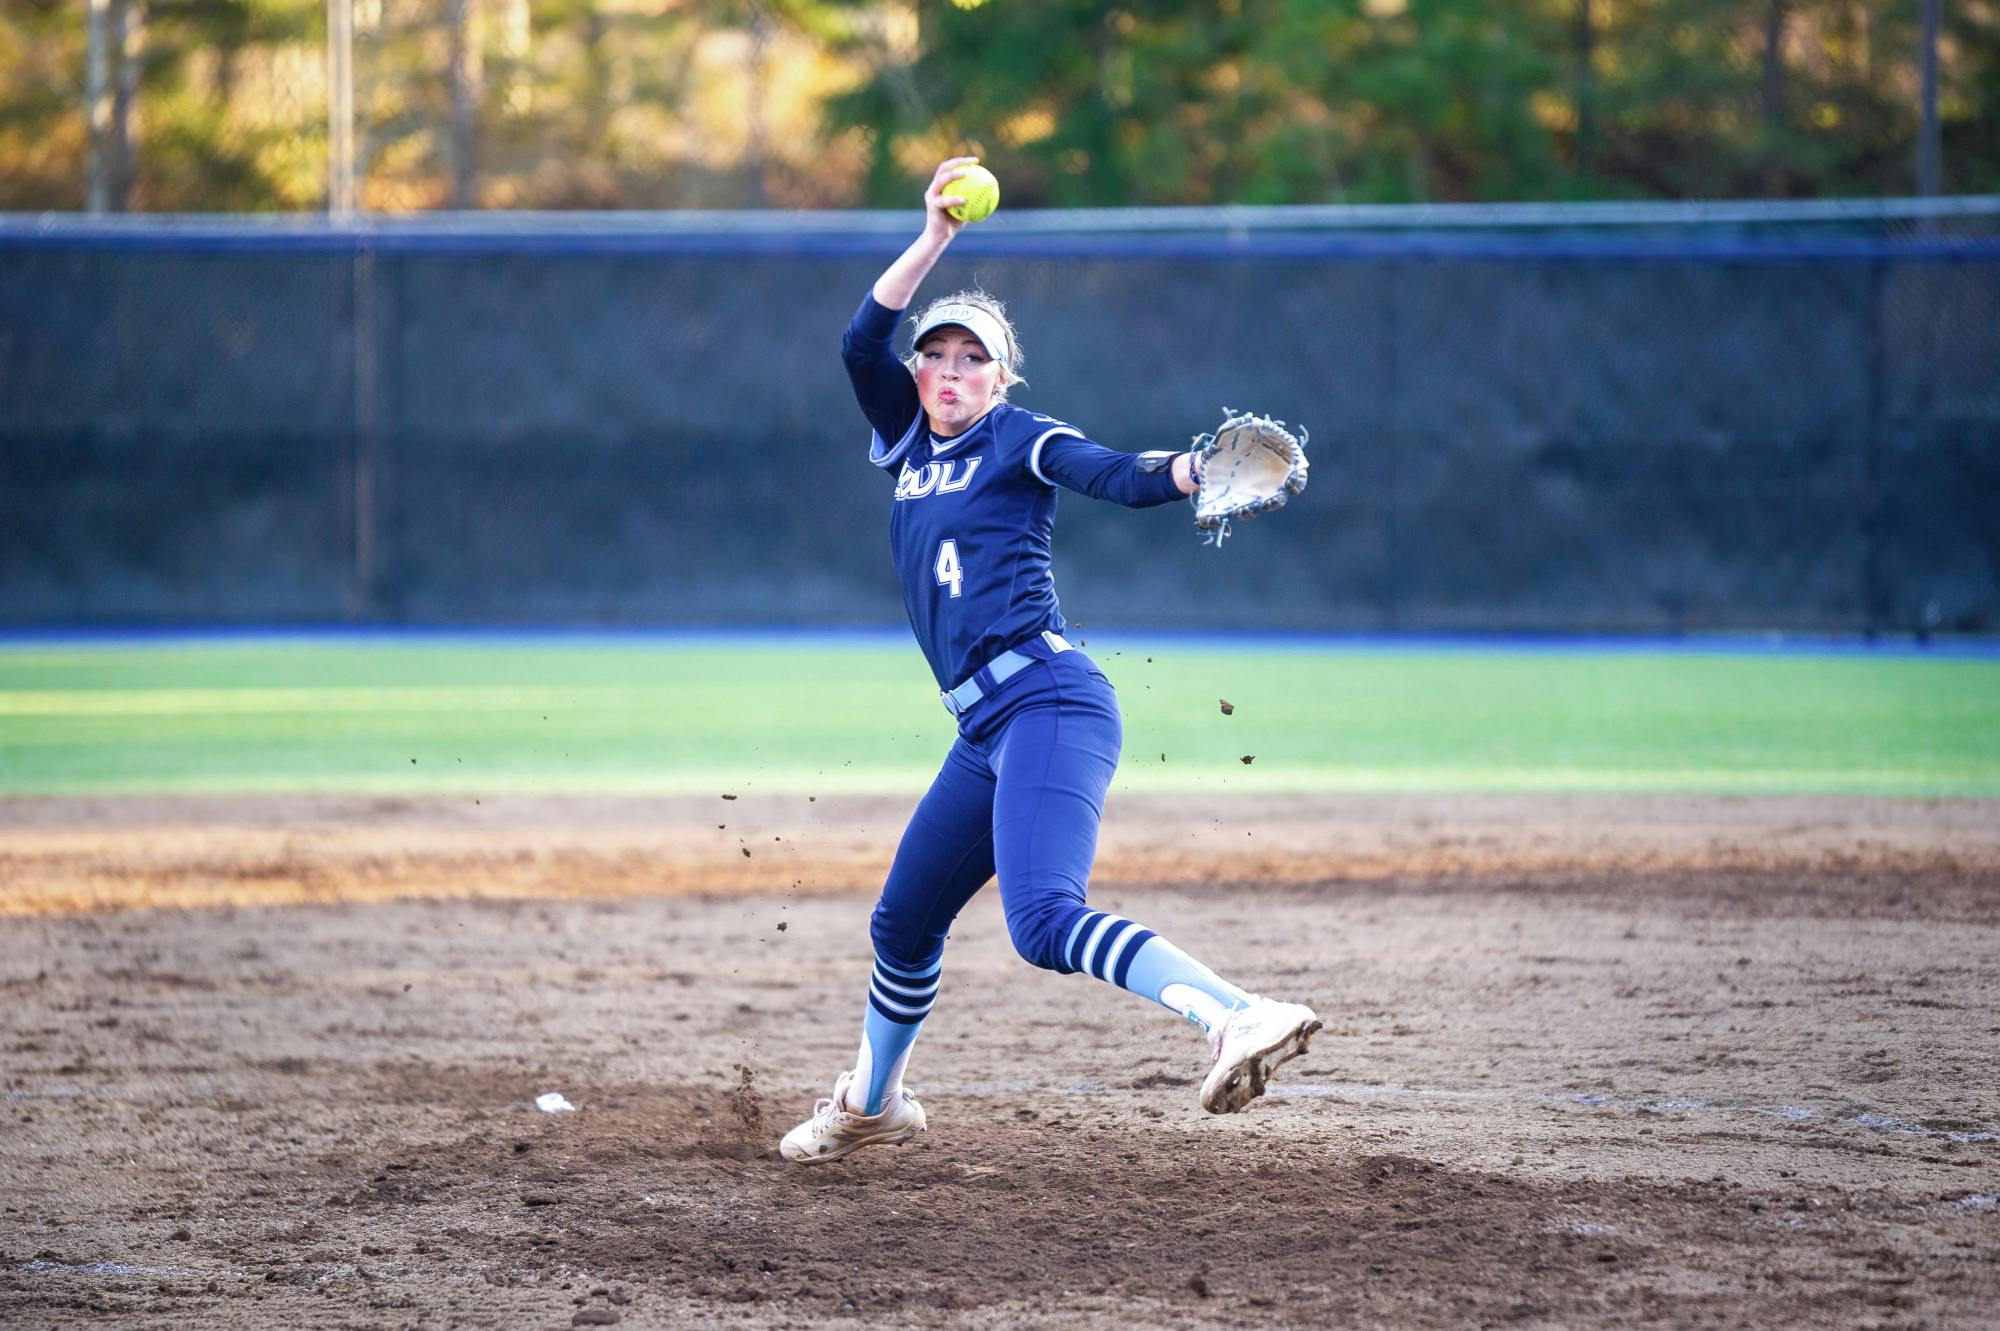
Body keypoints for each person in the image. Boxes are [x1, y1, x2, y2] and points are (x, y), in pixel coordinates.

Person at [779, 157, 1320, 1164]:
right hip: (981, 728)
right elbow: (859, 339)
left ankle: (1235, 1012)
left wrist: (1195, 468)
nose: (946, 372)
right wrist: (935, 233)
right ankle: (874, 1104)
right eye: (933, 356)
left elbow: (1112, 472)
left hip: (1050, 701)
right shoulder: (905, 440)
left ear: (998, 377)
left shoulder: (1015, 437)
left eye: (968, 360)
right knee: (899, 924)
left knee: (1040, 921)